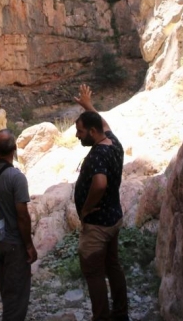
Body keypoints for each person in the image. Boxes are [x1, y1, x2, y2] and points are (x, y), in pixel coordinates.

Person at [72, 84, 129, 321]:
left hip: (97, 225)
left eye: (81, 131)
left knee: (93, 271)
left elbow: (100, 184)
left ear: (92, 132)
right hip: (114, 218)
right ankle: (120, 314)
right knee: (113, 266)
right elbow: (105, 125)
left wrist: (85, 209)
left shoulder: (97, 155)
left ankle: (102, 318)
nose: (77, 135)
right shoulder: (113, 143)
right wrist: (88, 106)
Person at [0, 129, 38, 321]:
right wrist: (29, 245)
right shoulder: (16, 177)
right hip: (14, 242)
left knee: (5, 287)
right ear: (15, 148)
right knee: (17, 294)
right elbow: (22, 216)